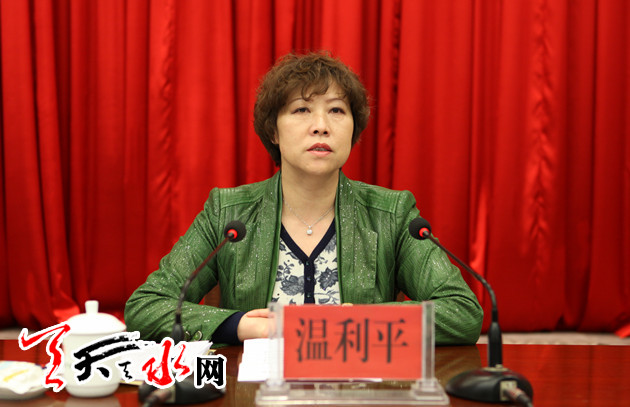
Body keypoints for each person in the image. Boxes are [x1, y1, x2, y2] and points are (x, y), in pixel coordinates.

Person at [125, 52, 483, 346]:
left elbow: (462, 313)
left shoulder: (391, 214)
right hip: (254, 393)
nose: (321, 126)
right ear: (273, 131)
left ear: (353, 129)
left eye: (337, 111)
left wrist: (358, 322)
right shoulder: (228, 212)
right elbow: (146, 307)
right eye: (301, 110)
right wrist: (242, 326)